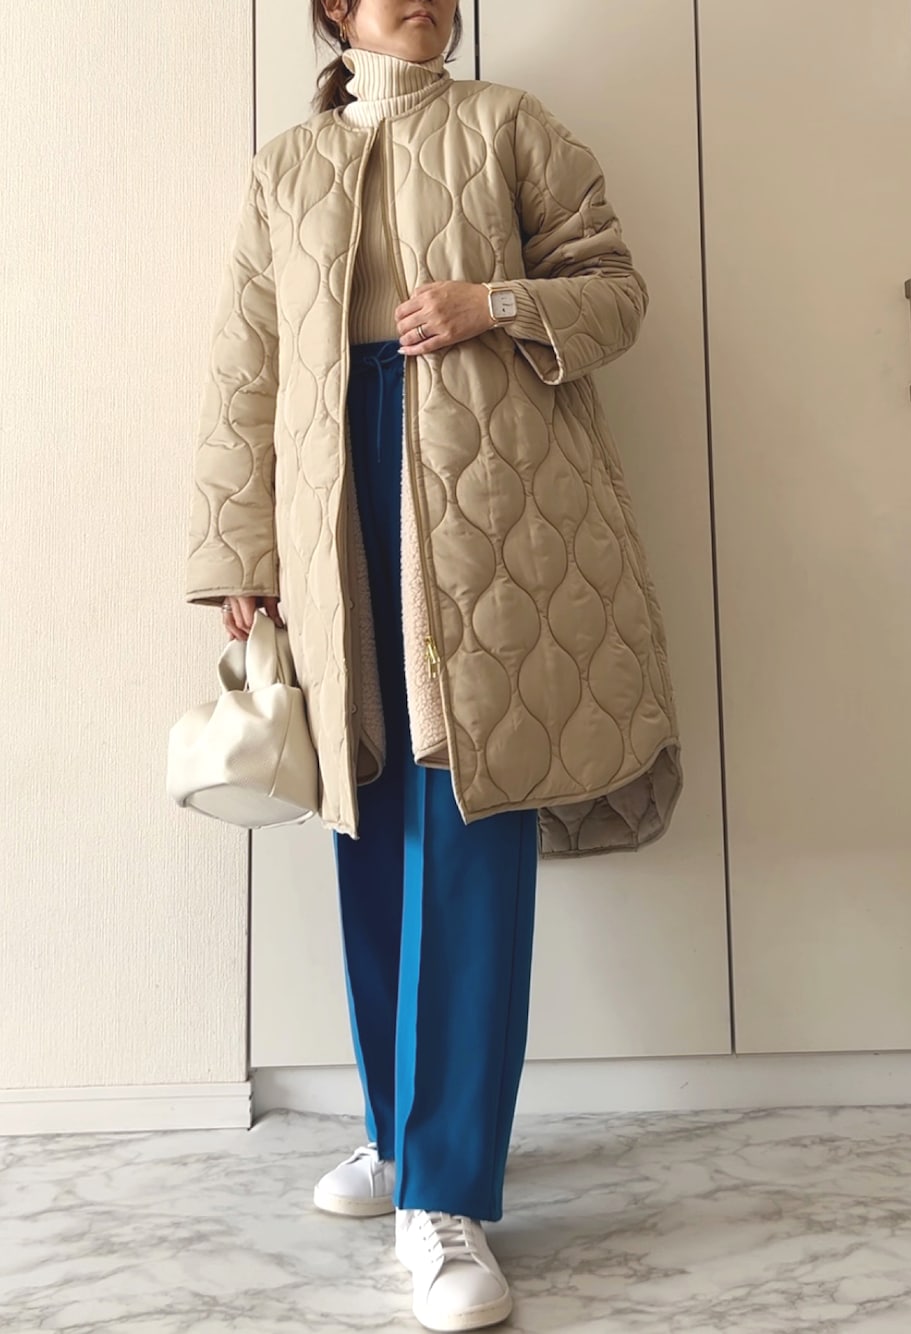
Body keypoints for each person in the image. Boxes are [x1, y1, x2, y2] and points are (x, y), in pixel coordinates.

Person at [184, 1, 683, 1328]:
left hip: (490, 505)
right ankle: (399, 1131)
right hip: (334, 500)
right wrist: (240, 554)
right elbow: (245, 371)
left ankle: (446, 1192)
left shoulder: (510, 126)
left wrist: (494, 302)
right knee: (368, 814)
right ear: (334, 12)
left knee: (471, 817)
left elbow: (617, 293)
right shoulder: (285, 167)